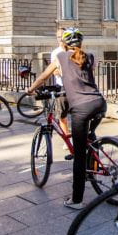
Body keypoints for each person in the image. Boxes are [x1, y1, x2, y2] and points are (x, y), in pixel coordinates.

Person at [26, 27, 106, 209]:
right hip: (100, 103)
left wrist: (30, 89)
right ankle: (92, 162)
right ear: (81, 43)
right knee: (89, 137)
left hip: (81, 106)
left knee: (78, 155)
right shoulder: (90, 56)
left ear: (63, 43)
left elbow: (44, 76)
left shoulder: (60, 57)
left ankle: (77, 200)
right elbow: (84, 73)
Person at [50, 29, 72, 157]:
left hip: (73, 87)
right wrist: (64, 73)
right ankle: (67, 140)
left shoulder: (72, 51)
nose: (60, 38)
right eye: (58, 36)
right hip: (62, 86)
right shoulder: (55, 53)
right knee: (62, 116)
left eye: (62, 36)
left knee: (75, 115)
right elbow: (54, 71)